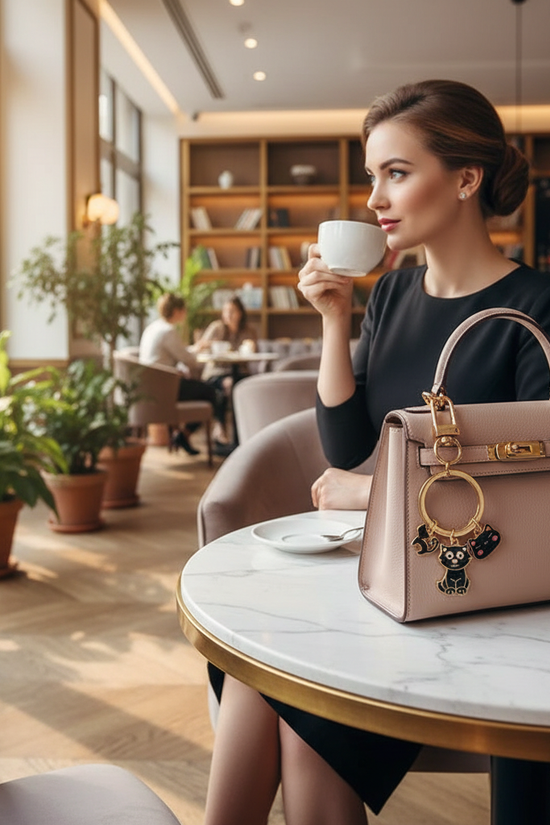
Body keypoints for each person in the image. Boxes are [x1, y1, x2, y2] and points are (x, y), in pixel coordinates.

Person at [202, 80, 550, 825]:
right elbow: (348, 443)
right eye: (372, 176)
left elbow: (534, 481)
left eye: (396, 173)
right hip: (393, 575)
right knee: (261, 668)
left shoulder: (532, 309)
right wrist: (336, 320)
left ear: (465, 178)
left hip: (477, 588)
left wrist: (373, 492)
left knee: (295, 718)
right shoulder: (392, 297)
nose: (373, 200)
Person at [139, 292, 218, 456]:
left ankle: (183, 435)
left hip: (149, 387)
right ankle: (184, 434)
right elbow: (190, 361)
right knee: (211, 392)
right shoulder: (168, 331)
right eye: (184, 310)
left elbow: (175, 355)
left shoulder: (153, 328)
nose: (185, 313)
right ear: (176, 311)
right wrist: (197, 351)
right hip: (165, 389)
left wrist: (192, 351)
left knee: (201, 388)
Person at [194, 295, 258, 445]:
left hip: (241, 373)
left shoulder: (248, 331)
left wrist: (252, 347)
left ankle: (243, 432)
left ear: (240, 313)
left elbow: (253, 353)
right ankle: (221, 429)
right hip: (216, 373)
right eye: (226, 311)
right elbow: (199, 349)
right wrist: (208, 344)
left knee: (243, 385)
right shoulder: (216, 328)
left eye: (232, 311)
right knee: (227, 385)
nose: (228, 315)